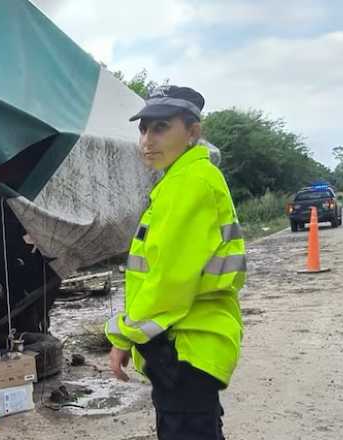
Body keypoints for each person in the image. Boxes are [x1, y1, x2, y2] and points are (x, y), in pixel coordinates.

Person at [106, 86, 246, 440]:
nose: (147, 141)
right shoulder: (182, 180)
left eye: (161, 127)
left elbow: (169, 281)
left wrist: (125, 336)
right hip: (187, 345)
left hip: (184, 347)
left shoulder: (189, 183)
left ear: (193, 132)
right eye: (143, 129)